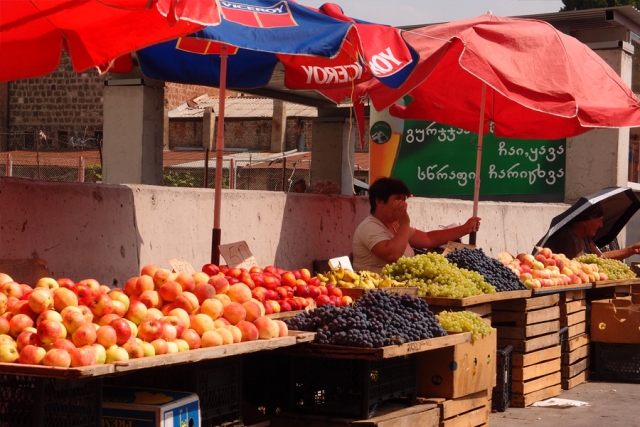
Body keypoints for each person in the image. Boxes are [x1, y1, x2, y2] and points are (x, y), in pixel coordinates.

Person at [352, 177, 481, 273]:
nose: (403, 204)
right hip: (377, 297)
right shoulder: (370, 227)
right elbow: (392, 255)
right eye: (398, 199)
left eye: (404, 199)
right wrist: (405, 222)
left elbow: (428, 239)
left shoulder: (396, 226)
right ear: (380, 202)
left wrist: (465, 228)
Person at [544, 203, 640, 260]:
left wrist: (631, 249)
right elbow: (578, 266)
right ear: (585, 221)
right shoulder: (569, 238)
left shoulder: (586, 238)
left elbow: (601, 257)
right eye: (598, 221)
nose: (601, 225)